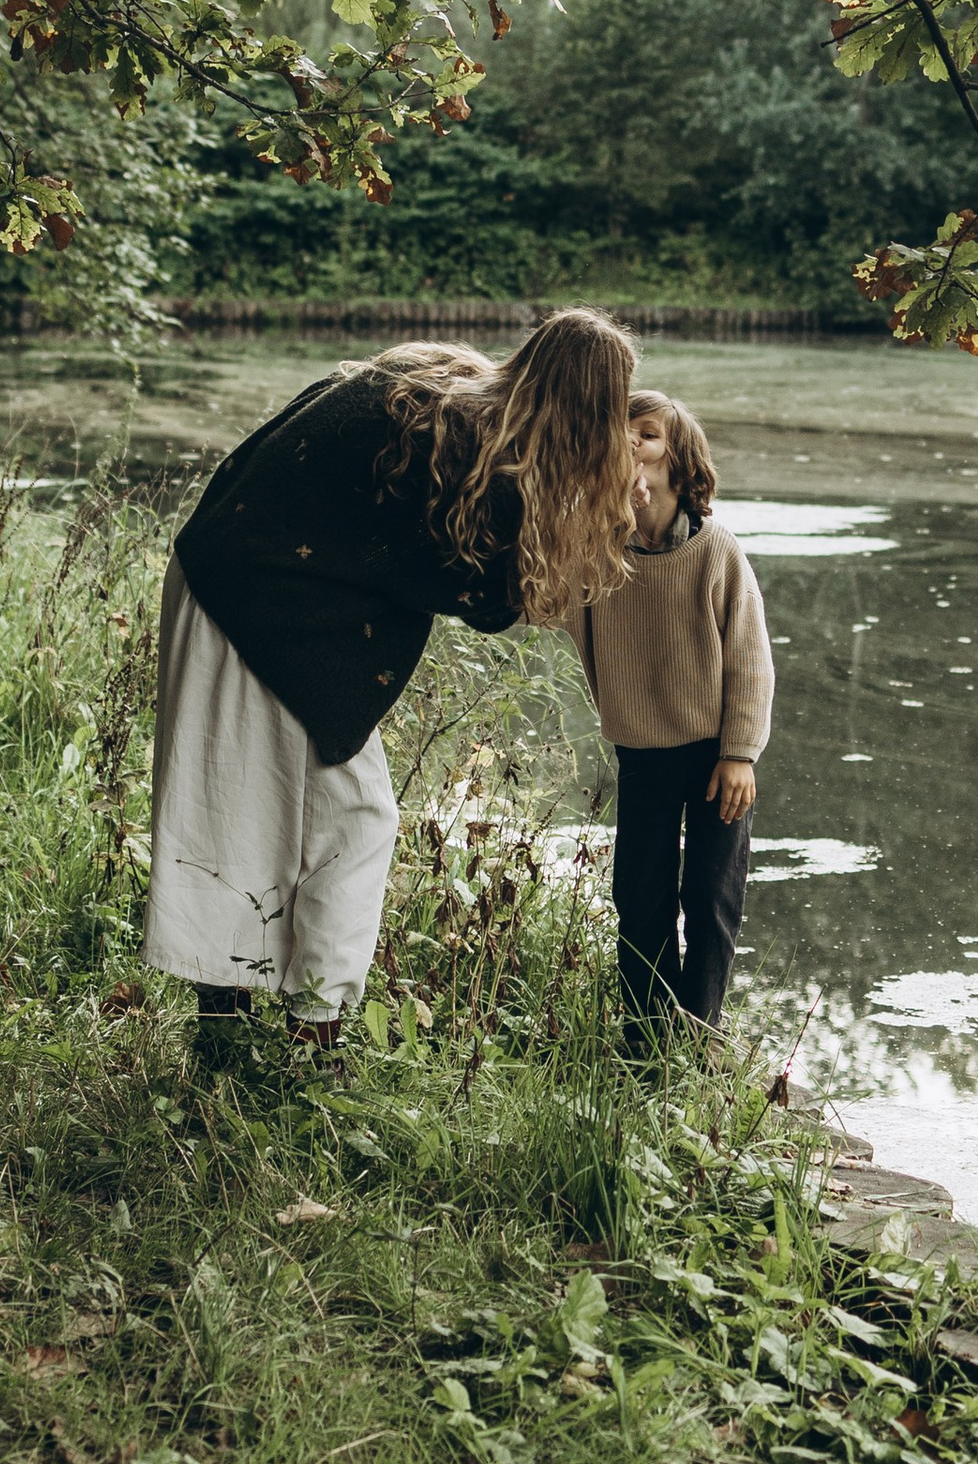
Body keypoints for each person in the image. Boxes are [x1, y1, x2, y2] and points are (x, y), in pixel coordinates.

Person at [146, 309, 639, 1044]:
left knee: (245, 814)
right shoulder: (468, 444)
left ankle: (237, 1032)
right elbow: (490, 600)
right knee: (342, 820)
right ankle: (313, 1036)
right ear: (592, 414)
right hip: (249, 598)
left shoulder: (446, 377)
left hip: (224, 567)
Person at [570, 387, 772, 1052]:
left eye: (647, 435)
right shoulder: (598, 552)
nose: (631, 445)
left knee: (710, 900)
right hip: (644, 750)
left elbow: (749, 660)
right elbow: (550, 607)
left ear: (678, 457)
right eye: (619, 435)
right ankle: (646, 1039)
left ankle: (699, 1038)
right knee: (640, 897)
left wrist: (740, 753)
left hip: (718, 754)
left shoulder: (716, 550)